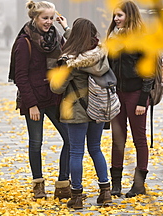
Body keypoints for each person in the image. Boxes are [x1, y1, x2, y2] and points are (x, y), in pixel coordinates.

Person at [8, 0, 70, 200]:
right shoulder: (24, 42)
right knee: (36, 142)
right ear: (35, 18)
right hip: (33, 99)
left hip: (53, 97)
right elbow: (21, 77)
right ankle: (38, 185)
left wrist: (66, 28)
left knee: (69, 139)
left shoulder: (56, 38)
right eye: (45, 18)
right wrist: (32, 104)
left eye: (52, 18)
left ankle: (62, 184)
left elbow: (70, 55)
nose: (49, 22)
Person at [50, 18, 112, 209]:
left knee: (76, 152)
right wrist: (67, 27)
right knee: (95, 148)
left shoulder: (70, 61)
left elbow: (57, 88)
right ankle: (105, 192)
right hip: (99, 107)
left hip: (76, 109)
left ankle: (76, 196)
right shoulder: (100, 55)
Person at [106, 0, 154, 198]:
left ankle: (139, 184)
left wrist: (143, 100)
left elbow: (149, 72)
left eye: (120, 15)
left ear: (130, 16)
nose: (116, 19)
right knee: (118, 139)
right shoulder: (112, 38)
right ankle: (115, 183)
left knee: (139, 139)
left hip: (136, 94)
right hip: (116, 94)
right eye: (115, 15)